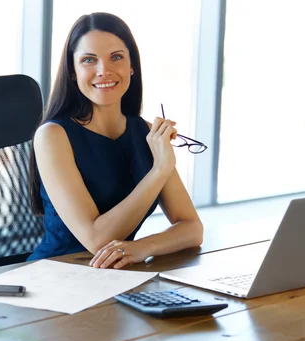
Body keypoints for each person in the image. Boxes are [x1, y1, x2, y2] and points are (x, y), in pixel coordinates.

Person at [27, 12, 203, 269]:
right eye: (89, 60)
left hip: (118, 276)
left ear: (132, 66)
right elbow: (97, 240)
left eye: (116, 57)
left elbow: (192, 229)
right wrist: (159, 170)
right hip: (55, 278)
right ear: (73, 71)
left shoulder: (144, 131)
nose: (104, 71)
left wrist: (143, 247)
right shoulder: (53, 136)